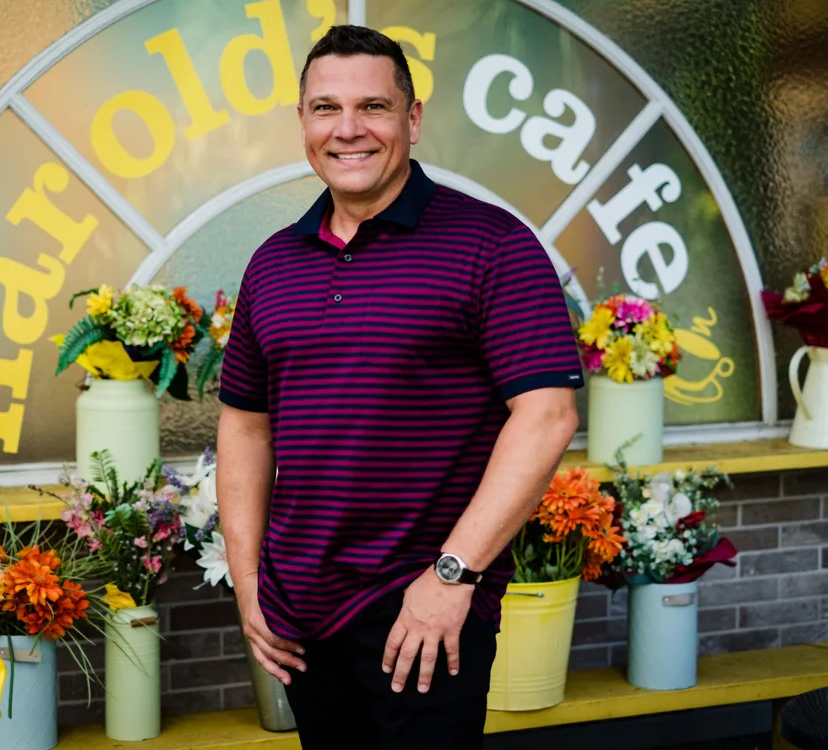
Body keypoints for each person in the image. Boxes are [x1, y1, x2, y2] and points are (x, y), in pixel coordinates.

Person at [216, 24, 582, 750]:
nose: (348, 130)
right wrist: (249, 579)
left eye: (373, 107)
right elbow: (245, 425)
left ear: (412, 118)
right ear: (301, 123)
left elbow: (546, 415)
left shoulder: (492, 245)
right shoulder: (274, 263)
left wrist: (452, 576)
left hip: (423, 607)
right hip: (300, 611)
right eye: (325, 108)